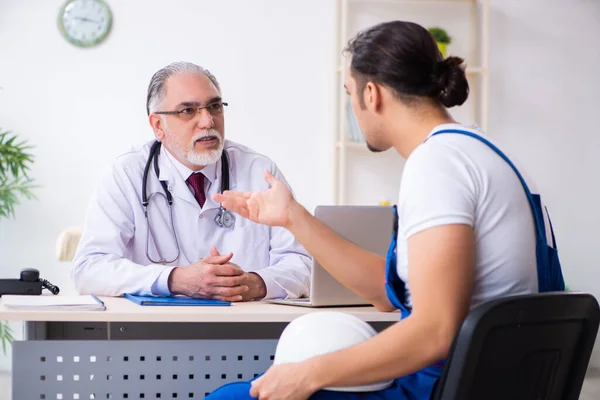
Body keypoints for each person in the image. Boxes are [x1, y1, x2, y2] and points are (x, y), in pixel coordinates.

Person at [207, 21, 564, 400]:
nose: (353, 109)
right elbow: (388, 292)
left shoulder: (438, 166)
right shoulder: (485, 153)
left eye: (350, 94)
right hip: (500, 380)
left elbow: (435, 331)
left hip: (445, 388)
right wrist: (293, 216)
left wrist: (307, 373)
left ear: (372, 94)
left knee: (229, 397)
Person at [71, 62, 311, 302]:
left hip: (245, 325)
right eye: (188, 110)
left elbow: (303, 263)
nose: (207, 121)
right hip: (153, 330)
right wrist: (175, 280)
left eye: (214, 106)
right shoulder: (126, 174)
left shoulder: (259, 171)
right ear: (158, 126)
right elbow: (89, 269)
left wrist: (255, 283)